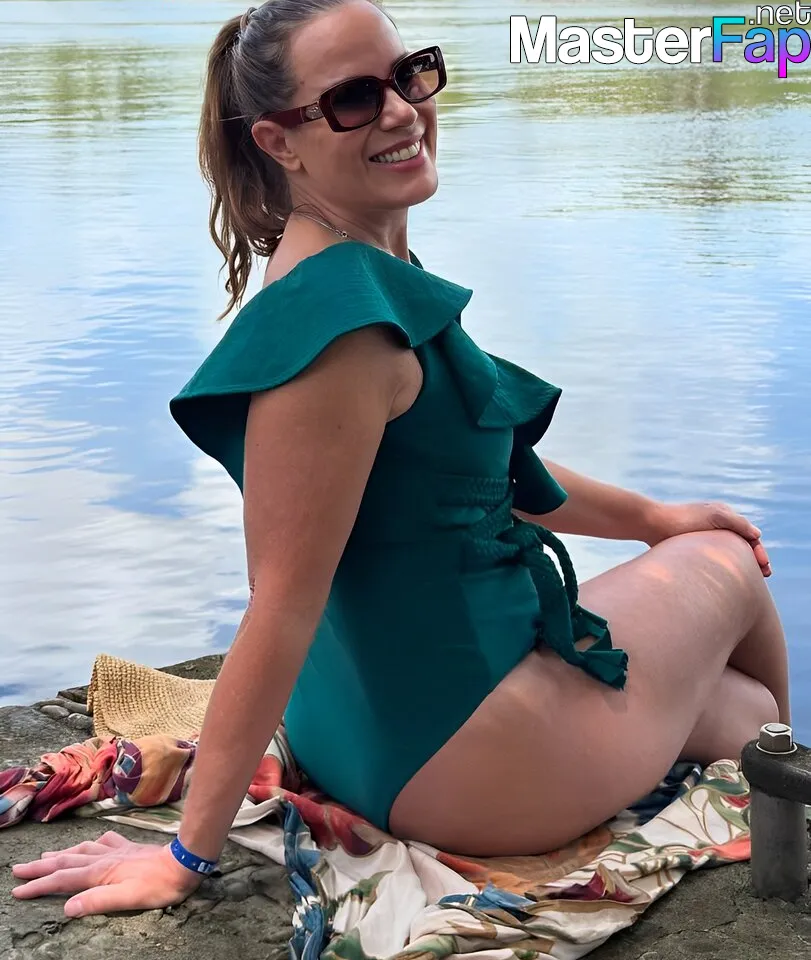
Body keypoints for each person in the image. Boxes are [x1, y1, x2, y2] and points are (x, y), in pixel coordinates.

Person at [12, 0, 788, 920]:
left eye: (408, 73)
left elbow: (474, 481)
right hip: (463, 759)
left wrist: (654, 518)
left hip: (379, 726)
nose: (400, 110)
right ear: (279, 141)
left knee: (739, 714)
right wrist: (185, 856)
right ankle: (785, 800)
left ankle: (764, 769)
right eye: (352, 98)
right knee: (724, 560)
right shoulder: (346, 335)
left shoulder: (348, 270)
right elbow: (279, 603)